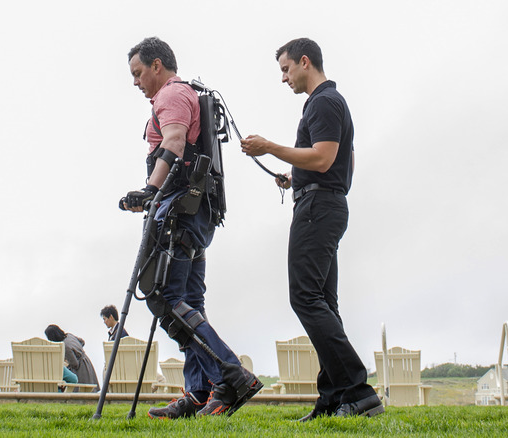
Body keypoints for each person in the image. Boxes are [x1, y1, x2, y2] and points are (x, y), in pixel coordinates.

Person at [240, 38, 385, 420]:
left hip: (318, 209)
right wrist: (296, 176)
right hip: (327, 203)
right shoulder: (330, 103)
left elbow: (324, 157)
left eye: (286, 69)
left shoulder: (323, 101)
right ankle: (335, 397)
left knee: (304, 297)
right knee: (324, 302)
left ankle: (357, 389)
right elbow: (343, 159)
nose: (284, 78)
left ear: (306, 62)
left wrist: (270, 147)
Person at [121, 36, 260, 419]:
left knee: (163, 297)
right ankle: (199, 392)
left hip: (180, 213)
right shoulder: (183, 94)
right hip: (194, 211)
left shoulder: (170, 95)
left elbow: (175, 141)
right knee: (189, 302)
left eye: (137, 74)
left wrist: (150, 191)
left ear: (156, 66)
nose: (135, 82)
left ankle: (232, 377)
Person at [45, 324, 100, 392]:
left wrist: (66, 360)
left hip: (80, 368)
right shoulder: (69, 336)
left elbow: (74, 364)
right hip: (86, 361)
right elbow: (82, 341)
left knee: (78, 390)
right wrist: (78, 351)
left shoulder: (65, 346)